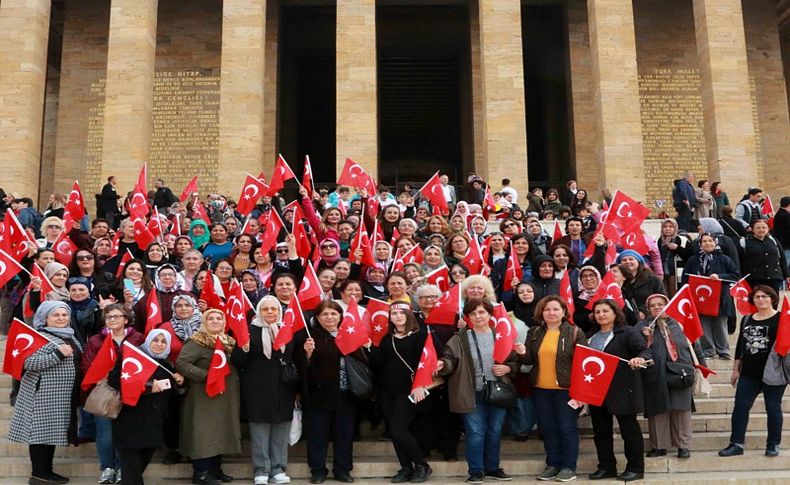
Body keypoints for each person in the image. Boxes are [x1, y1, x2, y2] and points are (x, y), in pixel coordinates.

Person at [436, 299, 523, 484]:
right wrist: (443, 364)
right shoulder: (460, 338)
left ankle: (492, 468)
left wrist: (507, 369)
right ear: (468, 318)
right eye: (473, 314)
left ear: (490, 315)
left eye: (482, 312)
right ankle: (476, 471)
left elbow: (515, 360)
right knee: (475, 432)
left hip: (497, 390)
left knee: (494, 431)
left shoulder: (501, 335)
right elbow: (450, 359)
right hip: (470, 391)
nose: (478, 317)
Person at [8, 301, 83, 485]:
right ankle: (38, 475)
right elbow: (27, 363)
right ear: (45, 318)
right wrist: (57, 355)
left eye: (64, 315)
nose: (61, 318)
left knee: (51, 434)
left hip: (61, 396)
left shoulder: (70, 336)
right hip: (42, 394)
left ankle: (46, 472)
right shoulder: (39, 336)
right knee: (40, 436)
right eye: (55, 315)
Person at [295, 300, 369, 484]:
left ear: (340, 316)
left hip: (345, 394)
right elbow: (301, 367)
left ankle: (342, 470)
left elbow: (364, 363)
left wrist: (364, 346)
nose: (329, 317)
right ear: (318, 318)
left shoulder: (350, 334)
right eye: (325, 314)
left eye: (333, 314)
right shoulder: (310, 337)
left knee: (344, 435)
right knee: (317, 435)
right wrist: (307, 355)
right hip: (318, 395)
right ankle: (318, 470)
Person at [176, 309, 247, 485]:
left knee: (220, 432)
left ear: (224, 323)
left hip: (226, 397)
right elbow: (182, 363)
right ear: (204, 322)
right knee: (203, 434)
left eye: (219, 318)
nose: (215, 321)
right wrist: (207, 376)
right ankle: (200, 472)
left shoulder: (229, 342)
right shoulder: (196, 342)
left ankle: (215, 470)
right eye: (211, 318)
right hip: (203, 397)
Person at [519, 295, 585, 482]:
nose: (551, 313)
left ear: (564, 312)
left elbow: (583, 363)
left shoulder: (574, 332)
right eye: (547, 309)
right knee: (548, 428)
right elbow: (529, 360)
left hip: (566, 390)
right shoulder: (534, 332)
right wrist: (523, 353)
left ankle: (568, 467)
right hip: (541, 389)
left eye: (556, 309)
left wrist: (580, 392)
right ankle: (553, 464)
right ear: (542, 312)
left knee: (566, 428)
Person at [107, 329, 182, 485]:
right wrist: (147, 386)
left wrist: (180, 382)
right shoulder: (132, 357)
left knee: (144, 457)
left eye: (164, 342)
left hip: (154, 421)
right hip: (130, 418)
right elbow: (115, 380)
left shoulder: (167, 364)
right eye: (155, 340)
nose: (159, 344)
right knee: (130, 461)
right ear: (148, 341)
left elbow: (170, 392)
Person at [587, 300, 652, 482]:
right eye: (597, 311)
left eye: (605, 311)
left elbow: (645, 351)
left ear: (615, 313)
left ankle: (635, 467)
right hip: (597, 390)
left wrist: (639, 359)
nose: (601, 314)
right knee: (601, 432)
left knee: (629, 431)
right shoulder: (591, 335)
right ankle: (606, 467)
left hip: (623, 388)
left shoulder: (628, 332)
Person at [719, 285, 787, 458]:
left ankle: (773, 444)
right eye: (757, 297)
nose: (761, 299)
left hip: (773, 371)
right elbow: (741, 346)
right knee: (740, 407)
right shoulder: (747, 319)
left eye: (764, 296)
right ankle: (736, 444)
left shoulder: (782, 319)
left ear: (772, 298)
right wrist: (736, 370)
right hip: (749, 373)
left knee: (773, 408)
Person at [235, 296, 297, 485]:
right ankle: (261, 469)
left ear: (280, 311)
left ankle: (278, 468)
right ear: (259, 312)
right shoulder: (250, 330)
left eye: (274, 309)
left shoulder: (288, 330)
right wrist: (243, 348)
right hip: (257, 388)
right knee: (260, 430)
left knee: (280, 428)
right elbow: (238, 362)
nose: (270, 312)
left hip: (283, 387)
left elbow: (294, 357)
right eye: (265, 309)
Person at [368, 305, 433, 483]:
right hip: (387, 390)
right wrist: (370, 348)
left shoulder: (420, 335)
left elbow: (426, 361)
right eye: (393, 313)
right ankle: (405, 467)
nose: (397, 316)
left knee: (398, 429)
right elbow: (380, 363)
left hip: (409, 390)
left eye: (401, 313)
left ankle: (421, 465)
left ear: (409, 315)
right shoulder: (387, 339)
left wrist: (420, 385)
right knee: (394, 431)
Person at [81, 304, 145, 483]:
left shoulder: (138, 339)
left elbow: (145, 362)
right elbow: (87, 364)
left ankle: (121, 468)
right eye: (109, 317)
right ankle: (107, 468)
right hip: (105, 392)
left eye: (117, 316)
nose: (113, 320)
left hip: (131, 391)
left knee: (126, 433)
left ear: (126, 319)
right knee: (105, 433)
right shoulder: (95, 340)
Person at [636, 294, 705, 459]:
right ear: (648, 309)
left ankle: (683, 445)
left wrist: (702, 367)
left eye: (661, 304)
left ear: (668, 306)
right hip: (655, 374)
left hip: (680, 372)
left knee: (681, 409)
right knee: (657, 410)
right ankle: (659, 445)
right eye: (653, 306)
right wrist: (645, 337)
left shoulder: (681, 323)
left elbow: (695, 346)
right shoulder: (642, 327)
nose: (657, 308)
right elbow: (637, 348)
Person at [681, 233, 739, 359]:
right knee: (704, 325)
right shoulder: (693, 260)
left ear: (715, 242)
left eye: (710, 241)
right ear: (700, 244)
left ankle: (723, 351)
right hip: (700, 298)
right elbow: (686, 278)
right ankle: (708, 351)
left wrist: (720, 277)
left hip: (720, 298)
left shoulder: (724, 259)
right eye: (704, 241)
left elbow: (735, 275)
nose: (707, 243)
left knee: (720, 325)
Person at [739, 219, 790, 292]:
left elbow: (782, 258)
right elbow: (739, 259)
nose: (761, 230)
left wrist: (787, 274)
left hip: (773, 277)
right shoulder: (745, 242)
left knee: (772, 300)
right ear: (752, 229)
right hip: (754, 279)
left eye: (763, 227)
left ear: (768, 229)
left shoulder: (774, 241)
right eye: (758, 228)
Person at [618, 250, 666, 319]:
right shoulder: (618, 281)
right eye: (624, 260)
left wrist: (644, 312)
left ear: (638, 262)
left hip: (650, 318)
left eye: (631, 259)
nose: (628, 262)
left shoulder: (653, 280)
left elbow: (662, 299)